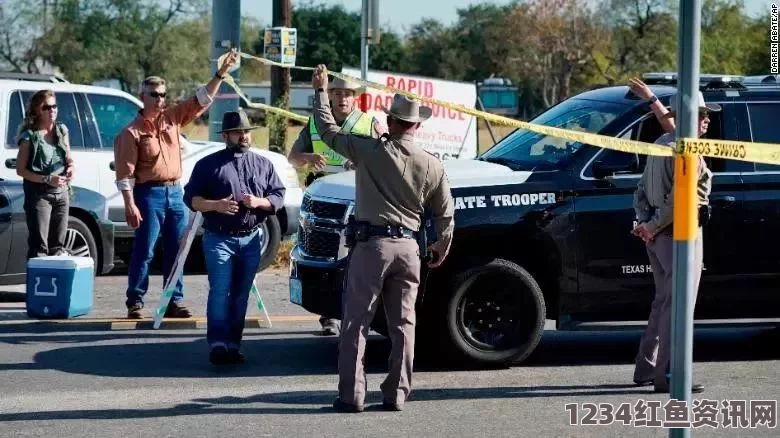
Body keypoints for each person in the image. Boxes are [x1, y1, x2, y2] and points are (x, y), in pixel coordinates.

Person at [310, 64, 455, 413]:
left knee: (356, 322)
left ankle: (351, 395)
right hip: (409, 249)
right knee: (404, 325)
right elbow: (445, 214)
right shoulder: (433, 164)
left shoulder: (369, 151)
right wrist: (439, 247)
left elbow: (328, 131)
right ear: (417, 125)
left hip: (371, 247)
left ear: (390, 122)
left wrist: (319, 92)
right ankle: (396, 394)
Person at [114, 48, 239, 320]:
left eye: (163, 95)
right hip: (148, 194)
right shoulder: (131, 133)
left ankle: (173, 300)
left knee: (178, 250)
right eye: (154, 95)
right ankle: (135, 301)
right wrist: (130, 205)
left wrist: (221, 73)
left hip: (175, 191)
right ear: (142, 96)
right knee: (145, 250)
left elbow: (201, 99)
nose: (160, 100)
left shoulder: (171, 118)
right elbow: (125, 174)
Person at [631, 90, 719, 394]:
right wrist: (652, 225)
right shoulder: (686, 152)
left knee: (664, 302)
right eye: (703, 114)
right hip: (679, 235)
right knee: (679, 307)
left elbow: (640, 189)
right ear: (687, 119)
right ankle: (668, 375)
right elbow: (678, 201)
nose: (708, 120)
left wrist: (644, 224)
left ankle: (646, 367)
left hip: (656, 236)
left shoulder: (661, 145)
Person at [184, 109, 286, 365]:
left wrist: (259, 201)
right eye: (238, 132)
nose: (244, 136)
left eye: (247, 132)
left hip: (251, 240)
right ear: (226, 136)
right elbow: (192, 199)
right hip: (219, 239)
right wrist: (215, 205)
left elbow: (278, 196)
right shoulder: (208, 165)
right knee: (220, 291)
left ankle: (233, 344)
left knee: (240, 294)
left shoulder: (263, 164)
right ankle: (218, 344)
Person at [288, 76, 385, 337]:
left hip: (360, 200)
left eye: (347, 94)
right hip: (326, 206)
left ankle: (363, 316)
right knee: (329, 261)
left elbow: (386, 159)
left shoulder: (369, 124)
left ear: (356, 98)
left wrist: (364, 164)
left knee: (362, 261)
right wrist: (307, 157)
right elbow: (293, 158)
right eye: (337, 93)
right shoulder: (314, 123)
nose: (342, 98)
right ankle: (330, 316)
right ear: (329, 96)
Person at [15, 90, 74, 259]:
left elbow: (69, 158)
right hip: (39, 195)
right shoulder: (29, 137)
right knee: (39, 247)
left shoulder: (62, 130)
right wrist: (47, 179)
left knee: (58, 247)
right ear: (37, 110)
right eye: (47, 107)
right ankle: (38, 284)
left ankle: (56, 284)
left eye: (54, 106)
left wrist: (71, 168)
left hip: (62, 193)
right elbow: (21, 170)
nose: (52, 110)